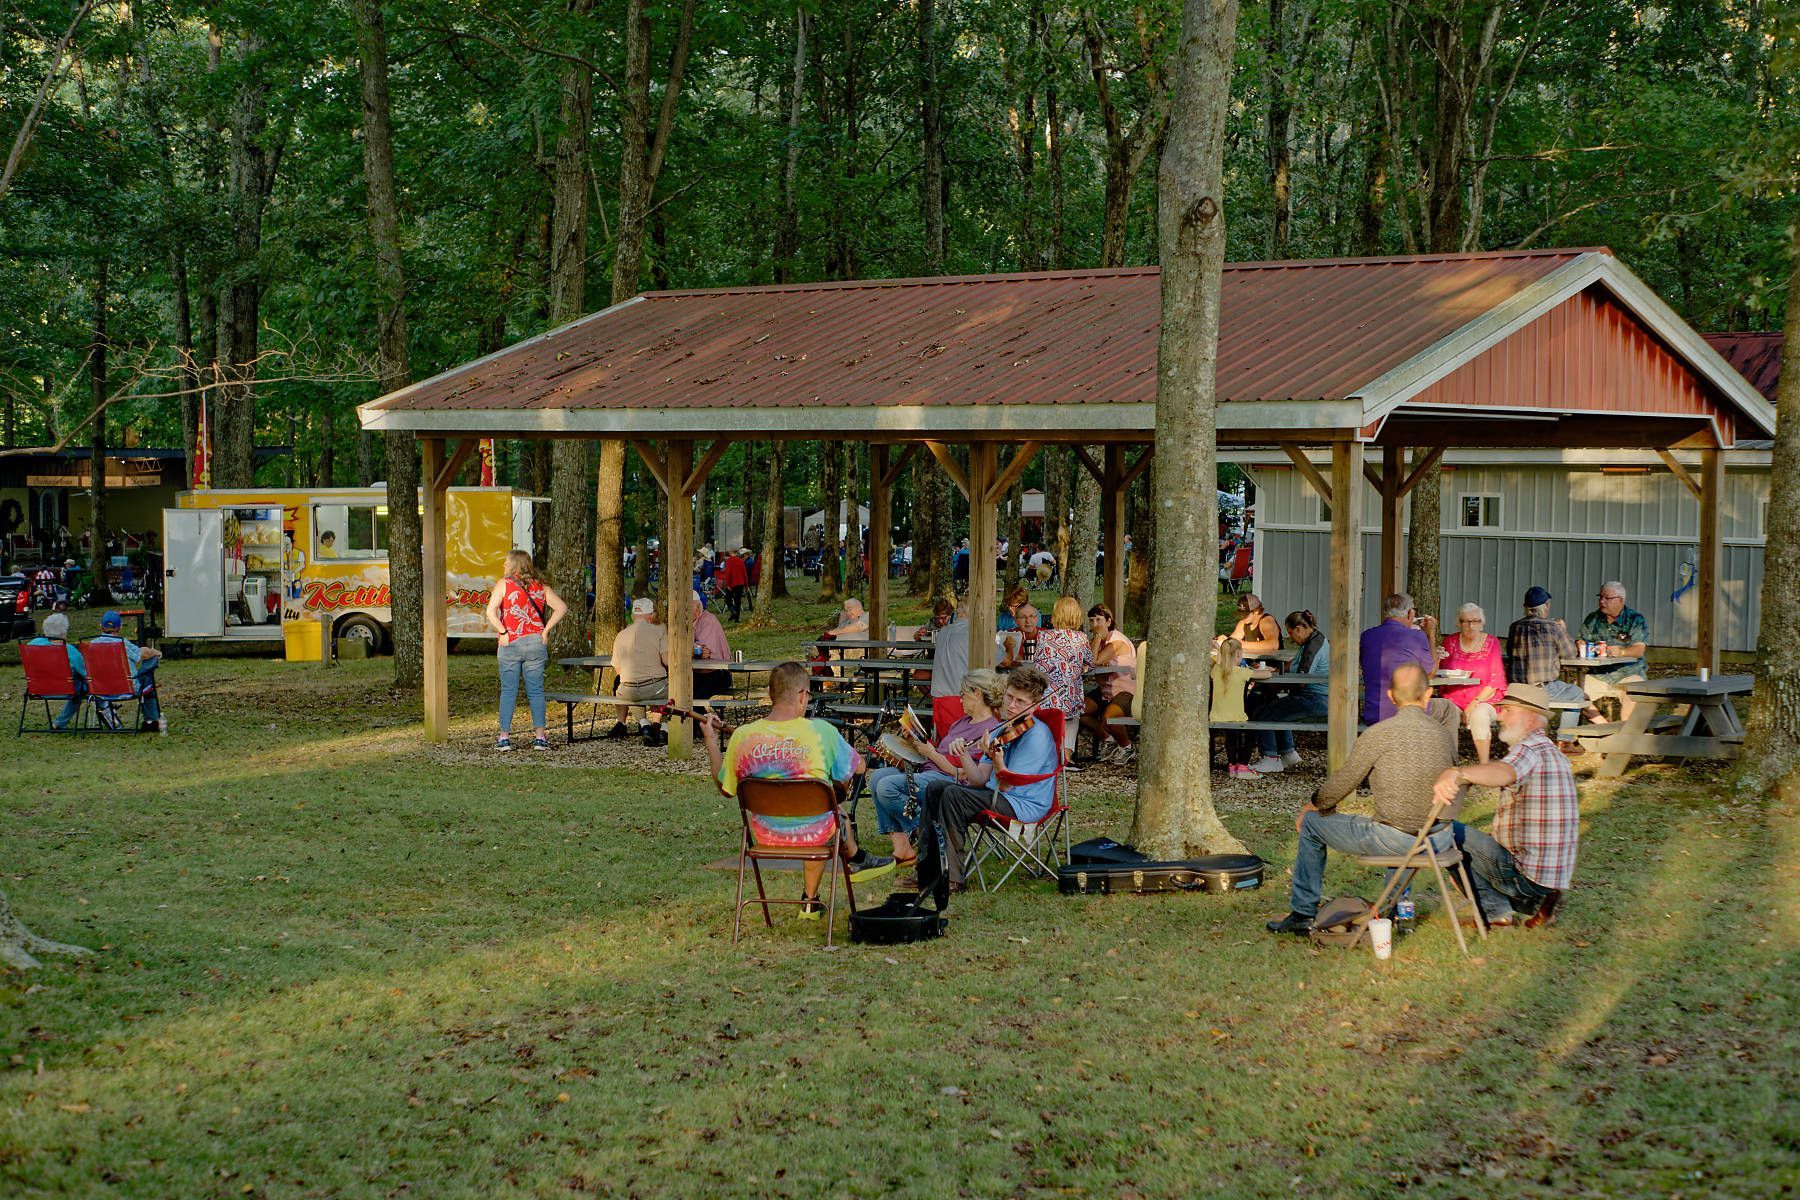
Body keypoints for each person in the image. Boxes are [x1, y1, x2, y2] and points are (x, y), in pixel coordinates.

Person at [1267, 663, 1461, 935]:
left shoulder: (1379, 733)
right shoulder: (1442, 734)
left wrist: (1313, 804)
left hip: (1398, 838)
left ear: (1392, 697)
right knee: (1404, 824)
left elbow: (1343, 783)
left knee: (1312, 824)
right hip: (1439, 837)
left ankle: (1302, 912)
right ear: (1428, 695)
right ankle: (1396, 908)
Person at [702, 662, 895, 918]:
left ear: (772, 695)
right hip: (817, 832)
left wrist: (711, 743)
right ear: (802, 695)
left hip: (766, 834)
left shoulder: (743, 736)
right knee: (827, 813)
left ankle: (811, 902)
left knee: (822, 811)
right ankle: (854, 858)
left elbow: (725, 790)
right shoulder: (821, 731)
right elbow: (858, 768)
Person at [1433, 683, 1578, 929]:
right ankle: (1543, 898)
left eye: (1507, 710)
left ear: (1531, 717)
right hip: (1552, 874)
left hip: (1526, 876)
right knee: (1476, 843)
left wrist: (1456, 772)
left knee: (1444, 830)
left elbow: (1504, 772)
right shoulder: (1553, 752)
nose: (1499, 716)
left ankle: (1497, 912)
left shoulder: (1529, 750)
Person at [918, 665, 1061, 892]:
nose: (1012, 706)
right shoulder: (1000, 730)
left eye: (1020, 702)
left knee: (954, 795)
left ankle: (953, 878)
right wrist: (964, 754)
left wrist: (996, 760)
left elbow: (1006, 785)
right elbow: (977, 780)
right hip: (996, 796)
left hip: (1023, 804)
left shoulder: (1037, 735)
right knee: (936, 788)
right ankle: (926, 872)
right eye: (1009, 698)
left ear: (1035, 705)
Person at [869, 668, 1005, 865]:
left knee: (887, 787)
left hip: (950, 784)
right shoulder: (960, 722)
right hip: (928, 773)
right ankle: (902, 848)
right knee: (877, 778)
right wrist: (916, 741)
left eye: (963, 695)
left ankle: (928, 832)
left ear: (977, 694)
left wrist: (931, 753)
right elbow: (940, 751)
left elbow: (965, 775)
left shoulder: (989, 730)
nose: (960, 700)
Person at [483, 550, 568, 752]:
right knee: (536, 691)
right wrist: (546, 630)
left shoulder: (504, 584)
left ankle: (504, 737)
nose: (504, 565)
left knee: (509, 691)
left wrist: (503, 631)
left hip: (510, 643)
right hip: (536, 643)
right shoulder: (541, 587)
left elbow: (490, 612)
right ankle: (540, 737)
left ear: (514, 565)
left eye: (506, 562)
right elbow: (562, 607)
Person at [1246, 610, 1330, 774]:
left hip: (1316, 698)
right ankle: (1288, 752)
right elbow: (1294, 664)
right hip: (1318, 696)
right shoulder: (1314, 640)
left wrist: (1277, 682)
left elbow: (1301, 680)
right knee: (1276, 707)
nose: (1291, 637)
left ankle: (1270, 758)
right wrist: (1277, 670)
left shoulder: (1312, 647)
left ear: (1299, 628)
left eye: (1291, 633)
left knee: (1265, 713)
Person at [1505, 586, 1588, 730]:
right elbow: (1570, 653)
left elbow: (1509, 650)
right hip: (1541, 688)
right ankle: (1565, 740)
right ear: (1547, 605)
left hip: (1516, 688)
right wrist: (1563, 629)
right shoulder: (1553, 627)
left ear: (1525, 607)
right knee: (1577, 693)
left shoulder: (1515, 627)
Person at [1436, 602, 1508, 763]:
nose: (1470, 625)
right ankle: (1449, 763)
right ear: (1458, 623)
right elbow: (1440, 675)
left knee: (1479, 715)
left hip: (1484, 697)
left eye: (1475, 621)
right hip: (1454, 698)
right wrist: (1436, 657)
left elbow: (1496, 679)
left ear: (1481, 623)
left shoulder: (1492, 643)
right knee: (1447, 713)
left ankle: (1484, 764)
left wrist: (1473, 704)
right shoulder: (1450, 642)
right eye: (1465, 621)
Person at [1033, 596, 1093, 765]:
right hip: (1070, 693)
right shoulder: (1081, 638)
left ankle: (1048, 753)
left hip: (1047, 693)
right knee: (1072, 720)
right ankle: (1066, 756)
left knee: (1048, 721)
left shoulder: (1044, 636)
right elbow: (1090, 663)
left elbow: (1038, 662)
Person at [1360, 592, 1435, 725]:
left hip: (1374, 712)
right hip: (1407, 712)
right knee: (1448, 710)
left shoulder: (1367, 636)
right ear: (1409, 613)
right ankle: (1437, 745)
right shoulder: (1417, 636)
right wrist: (1431, 633)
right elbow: (1430, 671)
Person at [1578, 581, 1650, 721]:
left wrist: (1622, 652)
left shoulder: (1635, 619)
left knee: (1633, 692)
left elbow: (1639, 650)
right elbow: (1582, 642)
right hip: (1599, 675)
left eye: (1607, 598)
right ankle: (1605, 729)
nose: (1602, 601)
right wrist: (1579, 643)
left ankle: (1625, 734)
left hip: (1628, 673)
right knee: (1575, 695)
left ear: (1620, 600)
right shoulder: (1592, 619)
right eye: (1600, 597)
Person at [607, 597, 670, 745]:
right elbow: (667, 661)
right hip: (656, 688)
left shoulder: (621, 635)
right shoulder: (659, 631)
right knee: (675, 689)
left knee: (630, 687)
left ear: (633, 616)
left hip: (628, 691)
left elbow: (618, 669)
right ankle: (665, 728)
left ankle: (644, 724)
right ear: (651, 616)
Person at [1081, 603, 1137, 765]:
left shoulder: (1117, 640)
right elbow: (1088, 663)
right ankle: (1109, 740)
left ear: (1108, 621)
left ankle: (1127, 747)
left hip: (1126, 691)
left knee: (1109, 717)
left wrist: (1097, 639)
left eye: (1098, 620)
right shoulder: (1098, 641)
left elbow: (1094, 660)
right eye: (1091, 621)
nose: (1095, 625)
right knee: (1078, 710)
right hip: (1106, 690)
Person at [91, 609, 163, 731]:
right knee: (149, 671)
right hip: (127, 687)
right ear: (119, 628)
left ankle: (105, 708)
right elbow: (141, 656)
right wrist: (155, 652)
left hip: (100, 689)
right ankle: (151, 720)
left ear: (100, 627)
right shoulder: (122, 643)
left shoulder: (91, 645)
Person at [25, 612, 86, 730]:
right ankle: (59, 723)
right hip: (65, 690)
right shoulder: (69, 650)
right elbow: (85, 672)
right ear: (63, 632)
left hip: (37, 689)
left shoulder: (32, 645)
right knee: (82, 685)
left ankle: (59, 723)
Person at [1210, 637, 1259, 778]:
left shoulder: (1215, 670)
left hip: (1217, 715)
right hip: (1237, 716)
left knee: (1230, 736)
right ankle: (1242, 764)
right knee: (1252, 732)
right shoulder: (1241, 672)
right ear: (1238, 654)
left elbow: (1217, 661)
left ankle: (1232, 765)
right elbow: (1264, 675)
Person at [929, 598, 972, 733]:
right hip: (958, 697)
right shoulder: (972, 632)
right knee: (958, 745)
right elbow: (1001, 659)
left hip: (939, 697)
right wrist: (1009, 646)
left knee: (944, 743)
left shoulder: (943, 632)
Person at [690, 591, 732, 700]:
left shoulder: (707, 620)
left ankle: (702, 717)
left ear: (698, 607)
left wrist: (691, 650)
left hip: (716, 674)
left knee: (693, 696)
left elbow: (703, 652)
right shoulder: (689, 623)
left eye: (688, 606)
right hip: (700, 675)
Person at [718, 547, 750, 622]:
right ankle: (737, 619)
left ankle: (733, 611)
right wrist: (746, 585)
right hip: (740, 582)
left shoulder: (728, 561)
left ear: (730, 552)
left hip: (732, 583)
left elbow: (728, 573)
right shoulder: (741, 561)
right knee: (737, 600)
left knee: (728, 599)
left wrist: (727, 584)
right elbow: (745, 574)